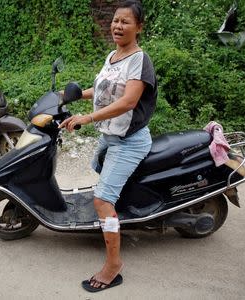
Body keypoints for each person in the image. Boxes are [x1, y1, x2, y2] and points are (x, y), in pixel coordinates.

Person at [59, 0, 157, 292]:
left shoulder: (139, 59)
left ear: (139, 27)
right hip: (110, 136)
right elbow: (103, 89)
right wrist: (71, 96)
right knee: (100, 176)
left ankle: (113, 264)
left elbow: (128, 100)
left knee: (101, 201)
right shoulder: (113, 55)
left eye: (126, 22)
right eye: (116, 20)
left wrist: (86, 118)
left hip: (129, 141)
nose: (118, 26)